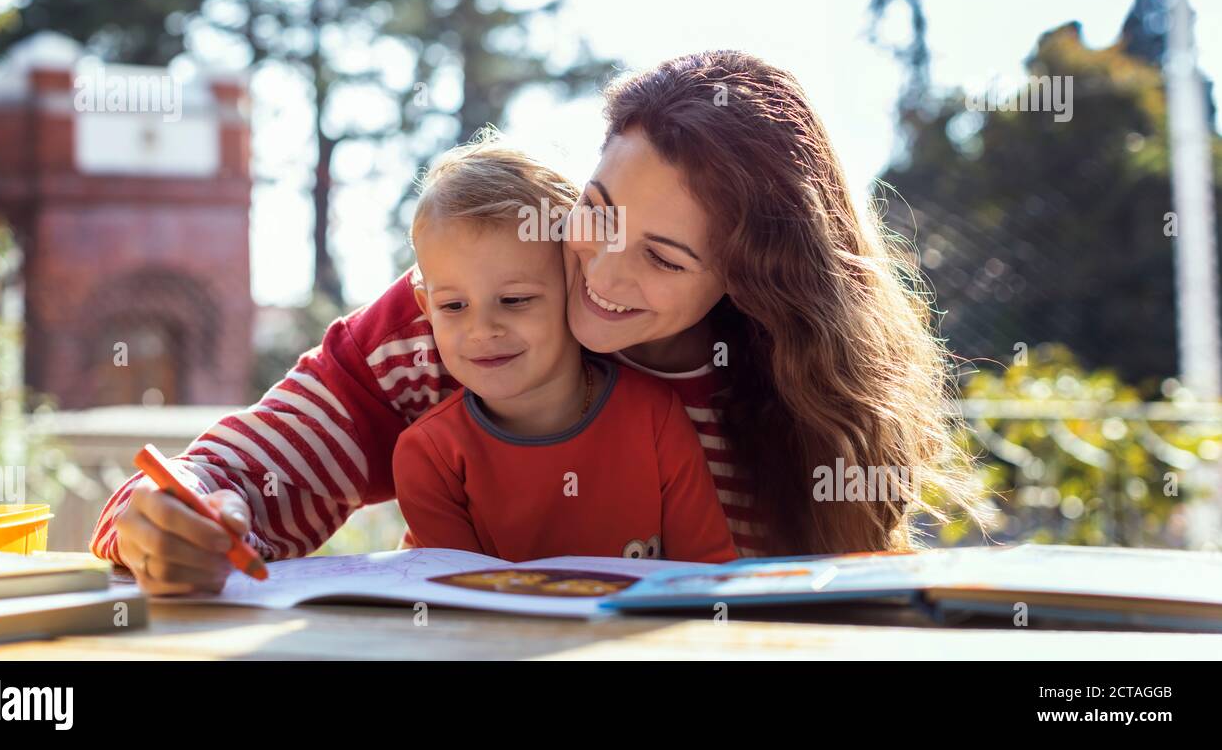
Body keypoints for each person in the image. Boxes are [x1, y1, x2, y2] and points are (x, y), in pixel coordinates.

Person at [93, 50, 984, 595]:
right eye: (594, 214)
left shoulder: (782, 385)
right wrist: (175, 516)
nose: (600, 271)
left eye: (665, 260)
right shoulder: (465, 307)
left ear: (752, 281)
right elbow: (247, 470)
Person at [390, 137, 736, 563]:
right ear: (427, 309)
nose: (483, 329)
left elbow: (708, 576)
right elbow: (463, 607)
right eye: (453, 306)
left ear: (577, 283)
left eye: (515, 300)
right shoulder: (428, 456)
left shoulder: (654, 418)